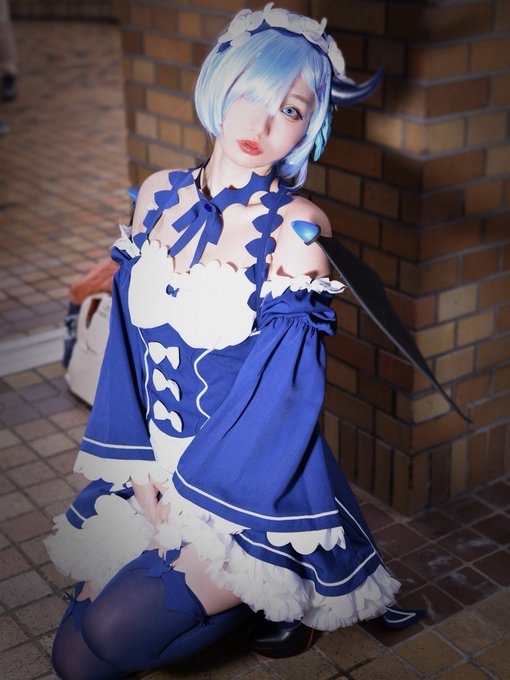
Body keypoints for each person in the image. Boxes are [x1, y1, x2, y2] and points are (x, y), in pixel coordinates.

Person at [45, 5, 422, 679]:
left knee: (109, 632)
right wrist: (140, 472)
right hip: (155, 466)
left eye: (292, 109)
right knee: (74, 657)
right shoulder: (157, 196)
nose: (262, 124)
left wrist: (186, 496)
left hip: (247, 484)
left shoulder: (299, 230)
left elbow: (283, 396)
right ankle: (244, 603)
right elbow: (127, 351)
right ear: (219, 83)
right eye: (250, 93)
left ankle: (271, 592)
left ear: (312, 124)